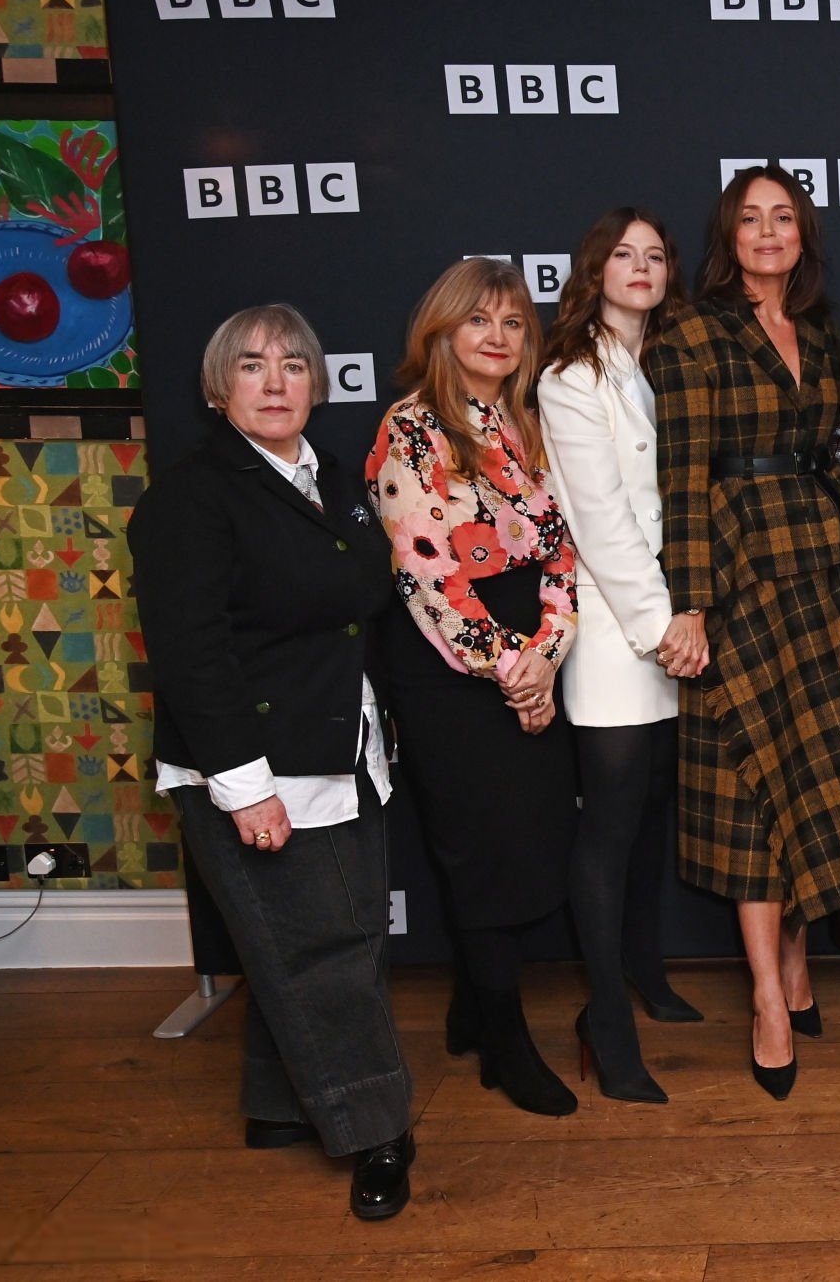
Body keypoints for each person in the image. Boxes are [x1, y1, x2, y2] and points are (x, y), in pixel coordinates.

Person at [134, 305, 415, 1219]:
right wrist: (246, 789)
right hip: (260, 768)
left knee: (327, 940)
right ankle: (376, 1132)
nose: (275, 381)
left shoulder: (329, 479)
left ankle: (279, 1104)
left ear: (315, 385)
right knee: (326, 956)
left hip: (342, 747)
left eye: (294, 364)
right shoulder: (191, 498)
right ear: (219, 389)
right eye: (251, 365)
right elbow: (192, 657)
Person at [646, 165, 840, 1100]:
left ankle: (797, 959)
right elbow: (681, 476)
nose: (769, 232)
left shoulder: (821, 336)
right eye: (752, 219)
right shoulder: (693, 332)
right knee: (753, 787)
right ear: (729, 237)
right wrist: (691, 601)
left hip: (818, 577)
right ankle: (767, 1000)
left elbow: (833, 455)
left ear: (803, 235)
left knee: (811, 776)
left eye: (784, 216)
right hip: (739, 577)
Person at [368, 258, 581, 1118]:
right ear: (442, 330)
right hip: (447, 668)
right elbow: (425, 572)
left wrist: (548, 654)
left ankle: (469, 1004)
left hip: (531, 653)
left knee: (524, 839)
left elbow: (563, 553)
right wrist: (511, 669)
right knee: (480, 851)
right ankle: (504, 1042)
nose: (497, 336)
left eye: (513, 322)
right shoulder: (412, 427)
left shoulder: (527, 422)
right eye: (478, 320)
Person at [536, 207, 704, 1106]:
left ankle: (644, 971)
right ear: (594, 268)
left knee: (649, 817)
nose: (640, 267)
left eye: (656, 255)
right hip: (615, 628)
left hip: (677, 624)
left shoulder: (665, 361)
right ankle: (605, 1021)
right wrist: (663, 625)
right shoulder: (570, 374)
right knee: (607, 829)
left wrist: (687, 617)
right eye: (624, 254)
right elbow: (599, 519)